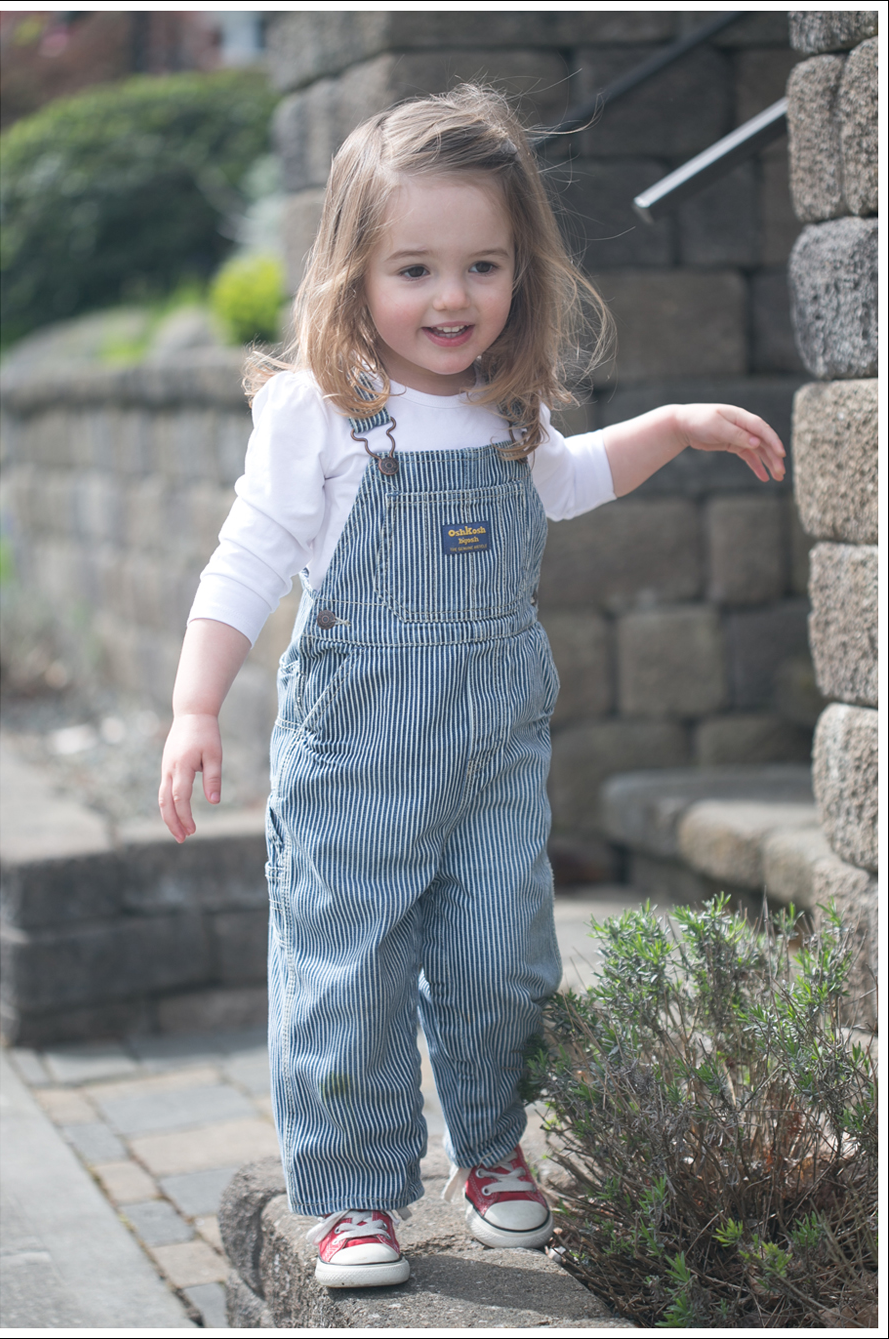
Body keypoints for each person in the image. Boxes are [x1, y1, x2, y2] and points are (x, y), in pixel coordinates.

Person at [159, 85, 785, 1289]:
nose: (452, 297)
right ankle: (352, 1190)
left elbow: (571, 480)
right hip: (359, 756)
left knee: (503, 958)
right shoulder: (321, 413)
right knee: (352, 967)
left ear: (520, 271)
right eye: (415, 270)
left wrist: (671, 424)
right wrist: (195, 708)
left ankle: (492, 1148)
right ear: (353, 274)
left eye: (482, 266)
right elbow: (247, 559)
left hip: (493, 752)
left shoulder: (509, 404)